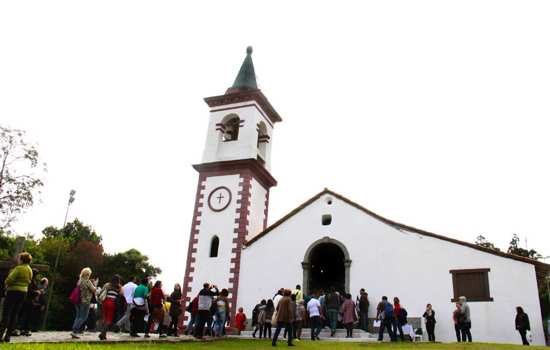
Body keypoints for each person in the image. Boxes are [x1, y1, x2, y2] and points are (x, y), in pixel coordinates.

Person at [0, 252, 33, 343]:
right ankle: (8, 337)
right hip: (23, 293)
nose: (18, 260)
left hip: (13, 292)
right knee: (15, 314)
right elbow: (29, 281)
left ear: (22, 259)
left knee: (6, 313)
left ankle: (0, 335)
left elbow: (10, 279)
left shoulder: (19, 268)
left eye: (19, 258)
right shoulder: (29, 269)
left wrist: (6, 284)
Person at [70, 267, 97, 339]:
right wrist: (95, 284)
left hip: (77, 301)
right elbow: (94, 290)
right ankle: (74, 331)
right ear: (88, 274)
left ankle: (74, 330)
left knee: (78, 316)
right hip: (85, 301)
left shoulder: (79, 281)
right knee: (83, 317)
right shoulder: (87, 281)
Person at [98, 275, 122, 340]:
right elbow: (121, 295)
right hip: (112, 303)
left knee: (104, 318)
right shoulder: (119, 287)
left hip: (105, 302)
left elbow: (101, 292)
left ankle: (104, 335)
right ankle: (102, 333)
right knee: (109, 320)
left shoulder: (107, 285)